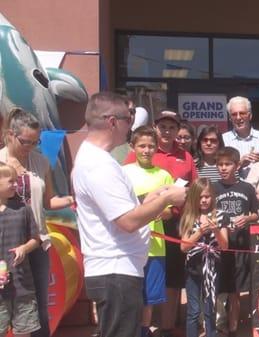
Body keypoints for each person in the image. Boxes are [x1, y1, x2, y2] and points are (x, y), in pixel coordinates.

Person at [72, 92, 186, 337]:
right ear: (112, 121)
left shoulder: (99, 160)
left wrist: (155, 195)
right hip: (115, 272)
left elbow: (124, 208)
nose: (131, 125)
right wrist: (166, 198)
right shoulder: (99, 165)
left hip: (118, 270)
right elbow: (129, 221)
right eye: (129, 117)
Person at [1, 107, 75, 337]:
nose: (31, 147)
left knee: (38, 305)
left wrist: (74, 198)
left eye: (36, 142)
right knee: (3, 306)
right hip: (5, 245)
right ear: (11, 134)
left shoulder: (41, 162)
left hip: (36, 242)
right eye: (26, 142)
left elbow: (48, 201)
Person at [124, 109, 197, 336]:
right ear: (156, 129)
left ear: (177, 130)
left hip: (172, 226)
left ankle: (166, 327)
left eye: (172, 127)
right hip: (134, 232)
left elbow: (193, 191)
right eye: (163, 127)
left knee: (171, 279)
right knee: (135, 285)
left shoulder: (184, 156)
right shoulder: (128, 164)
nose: (167, 131)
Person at [122, 126, 174, 337]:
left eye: (151, 146)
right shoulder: (123, 172)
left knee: (149, 298)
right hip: (128, 246)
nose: (147, 150)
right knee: (129, 295)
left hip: (155, 247)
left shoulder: (164, 176)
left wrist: (163, 213)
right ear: (133, 147)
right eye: (142, 146)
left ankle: (144, 331)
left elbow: (170, 211)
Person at [213, 147, 259, 336]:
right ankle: (218, 323)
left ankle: (233, 328)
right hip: (217, 246)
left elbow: (256, 214)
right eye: (220, 164)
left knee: (236, 290)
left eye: (228, 164)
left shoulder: (247, 188)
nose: (223, 168)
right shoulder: (212, 187)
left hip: (240, 247)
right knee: (217, 288)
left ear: (237, 165)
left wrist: (246, 219)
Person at [180, 178, 229, 337]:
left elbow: (225, 245)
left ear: (213, 197)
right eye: (200, 197)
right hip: (193, 269)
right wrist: (200, 232)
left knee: (210, 309)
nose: (204, 200)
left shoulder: (221, 216)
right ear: (194, 198)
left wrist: (215, 231)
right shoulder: (189, 216)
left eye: (207, 196)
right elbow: (184, 247)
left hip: (212, 269)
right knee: (193, 311)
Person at [0, 162, 41, 337]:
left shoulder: (22, 209)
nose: (16, 185)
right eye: (11, 181)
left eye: (16, 181)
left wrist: (24, 248)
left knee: (24, 331)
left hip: (22, 284)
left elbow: (36, 239)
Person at [222, 96, 259, 170]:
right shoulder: (223, 140)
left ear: (250, 116)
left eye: (242, 113)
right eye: (234, 114)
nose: (238, 117)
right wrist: (240, 164)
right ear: (230, 118)